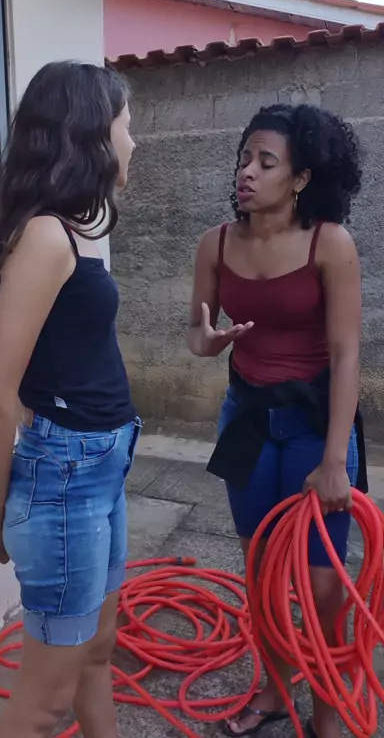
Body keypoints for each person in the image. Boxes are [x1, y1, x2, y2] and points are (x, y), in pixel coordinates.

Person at [0, 61, 141, 738]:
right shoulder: (46, 236)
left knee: (98, 651)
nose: (134, 141)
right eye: (126, 126)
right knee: (44, 703)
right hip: (66, 481)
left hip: (100, 469)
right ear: (92, 134)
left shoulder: (71, 229)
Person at [188, 104, 364, 738]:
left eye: (266, 162)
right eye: (244, 158)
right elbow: (197, 335)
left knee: (322, 585)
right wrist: (209, 342)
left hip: (316, 426)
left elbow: (346, 355)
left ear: (300, 178)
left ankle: (326, 714)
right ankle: (272, 688)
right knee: (261, 575)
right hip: (248, 422)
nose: (247, 172)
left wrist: (336, 460)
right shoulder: (215, 243)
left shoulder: (330, 243)